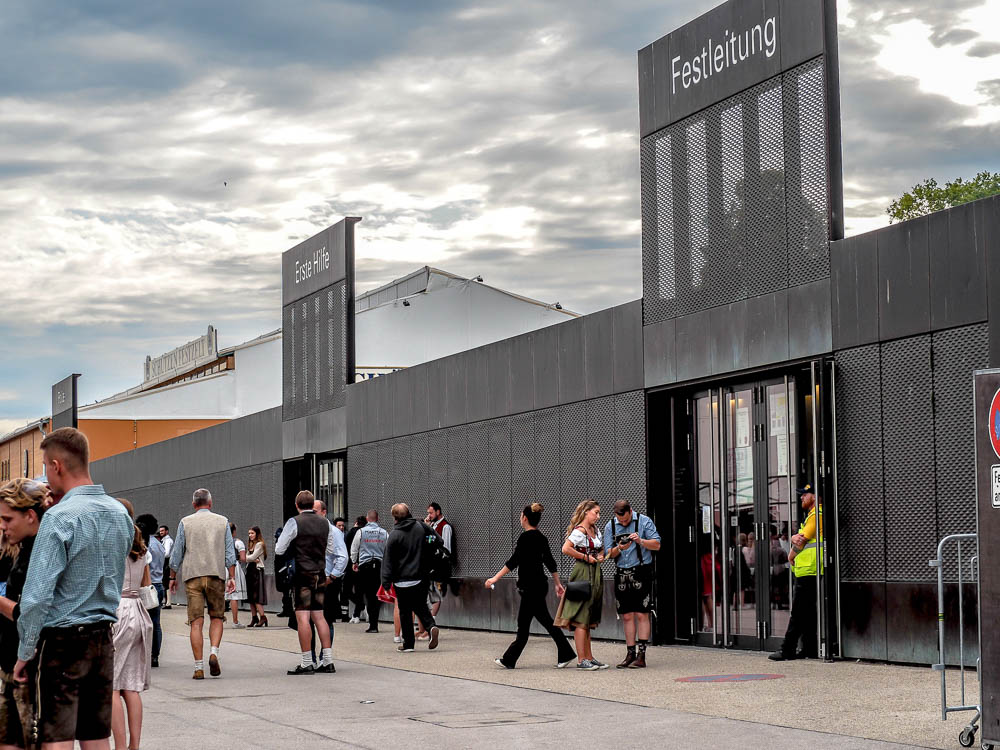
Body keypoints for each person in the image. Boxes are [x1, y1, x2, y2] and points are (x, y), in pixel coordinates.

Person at [15, 427, 134, 749]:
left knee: (58, 736)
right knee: (96, 735)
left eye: (45, 465)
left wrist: (25, 652)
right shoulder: (119, 513)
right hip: (103, 637)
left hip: (63, 641)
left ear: (57, 465)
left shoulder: (58, 517)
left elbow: (37, 596)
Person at [485, 502, 575, 669]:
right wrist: (557, 584)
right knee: (544, 621)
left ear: (524, 518)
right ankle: (565, 652)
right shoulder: (541, 538)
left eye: (521, 516)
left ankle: (509, 659)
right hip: (540, 585)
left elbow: (514, 561)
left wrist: (494, 578)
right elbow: (550, 562)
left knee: (524, 626)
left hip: (529, 587)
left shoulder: (525, 538)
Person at [0, 478, 50, 750]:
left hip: (28, 668)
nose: (3, 526)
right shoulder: (24, 548)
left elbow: (29, 615)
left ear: (30, 516)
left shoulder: (40, 554)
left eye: (8, 519)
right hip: (13, 662)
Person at [169, 488, 237, 679]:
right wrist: (231, 577)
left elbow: (176, 554)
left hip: (193, 576)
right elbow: (230, 553)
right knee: (216, 617)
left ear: (193, 504)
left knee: (196, 623)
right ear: (210, 502)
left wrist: (172, 577)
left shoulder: (185, 522)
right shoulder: (222, 521)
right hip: (216, 575)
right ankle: (214, 652)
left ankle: (198, 667)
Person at [275, 491, 343, 675]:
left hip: (302, 574)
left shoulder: (294, 522)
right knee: (320, 616)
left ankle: (307, 661)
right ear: (312, 504)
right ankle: (327, 660)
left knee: (303, 618)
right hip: (320, 573)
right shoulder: (325, 523)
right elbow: (329, 549)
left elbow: (279, 548)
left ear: (297, 505)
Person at [110, 499, 153, 750]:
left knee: (112, 686)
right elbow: (146, 583)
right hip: (138, 610)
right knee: (132, 686)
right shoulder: (141, 545)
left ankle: (119, 745)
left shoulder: (112, 543)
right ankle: (134, 745)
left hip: (117, 610)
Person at [604, 500, 661, 669]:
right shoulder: (610, 526)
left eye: (625, 520)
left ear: (630, 511)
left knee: (642, 613)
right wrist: (620, 548)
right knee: (627, 615)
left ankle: (642, 655)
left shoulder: (644, 521)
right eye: (619, 520)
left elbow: (657, 544)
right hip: (622, 573)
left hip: (641, 571)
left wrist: (641, 541)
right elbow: (609, 554)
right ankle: (630, 653)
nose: (622, 523)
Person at [770, 485, 823, 662]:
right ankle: (809, 649)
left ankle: (787, 650)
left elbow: (802, 539)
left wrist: (791, 553)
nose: (801, 497)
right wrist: (794, 537)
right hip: (808, 570)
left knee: (798, 613)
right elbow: (799, 537)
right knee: (807, 612)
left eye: (805, 495)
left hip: (810, 570)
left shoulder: (816, 515)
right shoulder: (811, 516)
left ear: (815, 497)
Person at [554, 499, 606, 670]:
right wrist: (585, 557)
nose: (598, 516)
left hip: (594, 573)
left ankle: (589, 657)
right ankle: (581, 659)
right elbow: (566, 548)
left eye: (599, 513)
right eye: (595, 512)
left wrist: (600, 555)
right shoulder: (580, 531)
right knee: (581, 617)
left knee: (588, 616)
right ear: (586, 512)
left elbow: (601, 549)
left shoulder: (595, 530)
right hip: (583, 572)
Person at [381, 503, 439, 653]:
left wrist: (386, 582)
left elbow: (387, 560)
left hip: (401, 580)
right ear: (409, 513)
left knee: (405, 610)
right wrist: (427, 544)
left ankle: (408, 644)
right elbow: (438, 540)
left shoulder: (394, 535)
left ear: (395, 517)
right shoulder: (420, 527)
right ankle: (431, 626)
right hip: (420, 575)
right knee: (420, 605)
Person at [349, 511, 388, 632]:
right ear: (378, 519)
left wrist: (354, 562)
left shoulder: (360, 532)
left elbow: (354, 549)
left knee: (367, 595)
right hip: (379, 566)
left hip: (365, 567)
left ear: (367, 519)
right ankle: (374, 623)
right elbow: (388, 549)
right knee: (376, 595)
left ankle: (372, 624)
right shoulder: (384, 532)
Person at [313, 501, 348, 633]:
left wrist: (332, 576)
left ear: (324, 512)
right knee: (309, 619)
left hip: (326, 580)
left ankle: (325, 651)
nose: (312, 515)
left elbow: (343, 557)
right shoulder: (309, 529)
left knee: (326, 619)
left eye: (315, 511)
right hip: (311, 579)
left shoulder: (333, 531)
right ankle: (311, 652)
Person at [134, 514, 164, 668]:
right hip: (158, 586)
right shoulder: (159, 544)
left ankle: (143, 653)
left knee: (142, 622)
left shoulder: (143, 545)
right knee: (155, 622)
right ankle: (155, 655)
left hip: (146, 586)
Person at [343, 516, 366, 623]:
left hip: (350, 565)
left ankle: (360, 606)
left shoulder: (350, 533)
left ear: (356, 522)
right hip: (362, 564)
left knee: (347, 590)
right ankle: (357, 611)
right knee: (359, 589)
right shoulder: (364, 533)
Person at [225, 523, 248, 628]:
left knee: (221, 594)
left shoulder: (221, 542)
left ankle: (218, 619)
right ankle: (235, 621)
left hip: (221, 567)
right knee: (234, 595)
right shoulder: (238, 542)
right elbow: (243, 558)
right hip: (234, 567)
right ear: (234, 531)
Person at [245, 527, 268, 627]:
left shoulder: (259, 544)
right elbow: (248, 558)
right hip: (250, 570)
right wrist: (250, 559)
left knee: (257, 596)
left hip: (257, 571)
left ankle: (263, 617)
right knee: (250, 597)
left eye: (252, 533)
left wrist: (248, 558)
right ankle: (254, 617)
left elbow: (251, 557)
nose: (250, 535)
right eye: (249, 533)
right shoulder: (250, 545)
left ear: (257, 534)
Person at [156, 526, 174, 609]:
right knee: (164, 582)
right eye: (160, 531)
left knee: (166, 581)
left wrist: (159, 554)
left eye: (162, 531)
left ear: (167, 531)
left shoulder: (168, 541)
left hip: (166, 562)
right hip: (165, 562)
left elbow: (166, 553)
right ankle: (167, 602)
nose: (161, 532)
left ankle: (168, 603)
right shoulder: (164, 540)